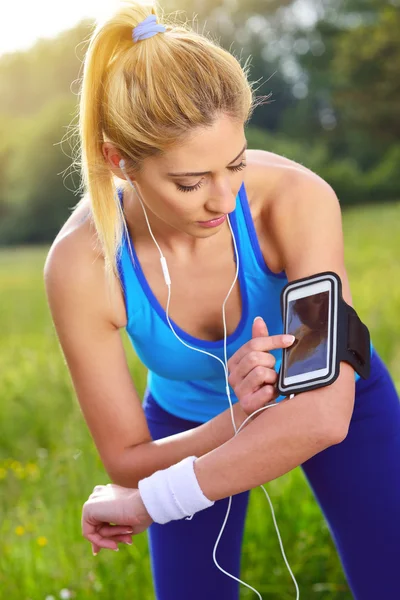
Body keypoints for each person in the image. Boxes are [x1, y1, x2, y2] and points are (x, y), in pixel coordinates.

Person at [43, 2, 400, 599]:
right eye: (189, 183)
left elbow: (319, 412)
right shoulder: (84, 267)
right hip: (188, 425)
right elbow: (129, 460)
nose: (223, 198)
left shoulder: (294, 200)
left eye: (234, 163)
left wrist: (153, 504)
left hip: (343, 397)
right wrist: (238, 417)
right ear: (119, 161)